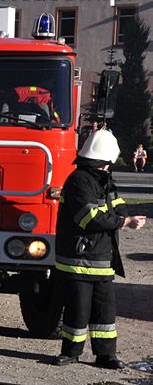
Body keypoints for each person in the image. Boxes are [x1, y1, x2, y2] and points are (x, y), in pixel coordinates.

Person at [52, 130, 146, 369]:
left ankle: (106, 356)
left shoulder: (102, 180)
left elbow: (117, 204)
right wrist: (124, 222)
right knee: (78, 310)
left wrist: (125, 214)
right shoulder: (79, 181)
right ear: (103, 160)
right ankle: (71, 352)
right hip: (79, 260)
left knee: (105, 312)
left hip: (102, 259)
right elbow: (89, 218)